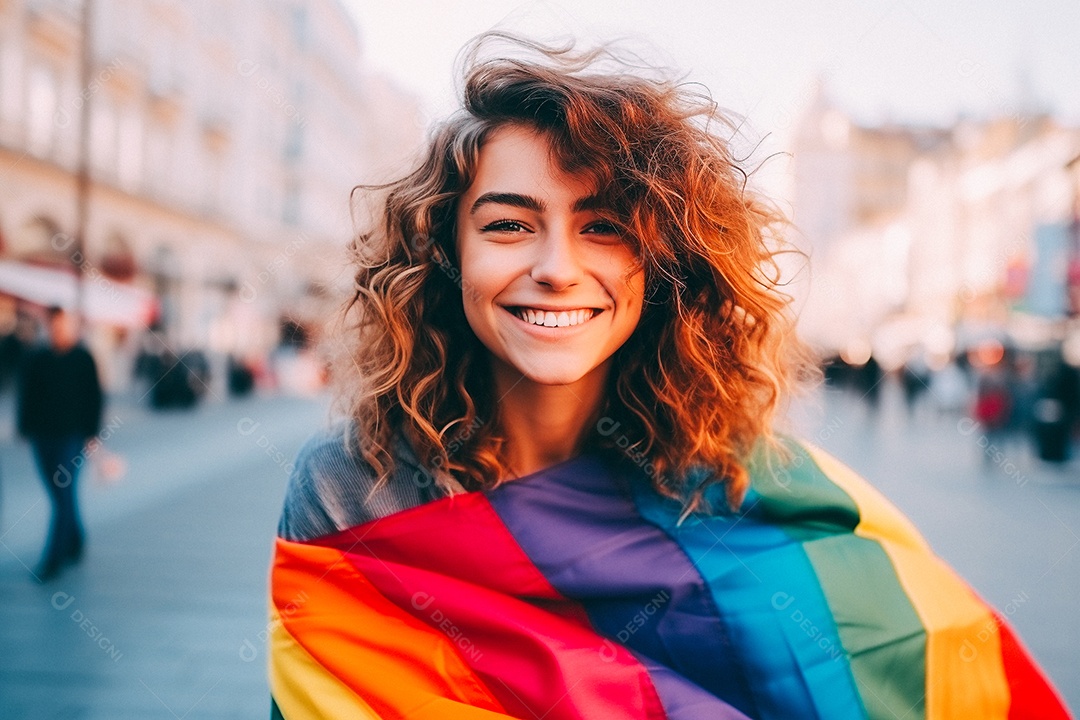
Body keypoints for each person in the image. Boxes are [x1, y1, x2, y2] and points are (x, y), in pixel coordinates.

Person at [268, 34, 1070, 719]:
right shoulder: (354, 486)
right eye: (509, 225)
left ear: (666, 265)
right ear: (447, 252)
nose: (556, 268)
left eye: (606, 228)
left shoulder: (743, 476)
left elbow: (904, 652)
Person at [16, 306, 103, 582]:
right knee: (58, 493)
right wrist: (24, 427)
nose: (58, 331)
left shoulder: (83, 358)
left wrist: (91, 433)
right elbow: (26, 394)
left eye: (63, 325)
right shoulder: (37, 358)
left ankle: (53, 558)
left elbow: (94, 397)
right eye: (54, 325)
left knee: (62, 493)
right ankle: (76, 537)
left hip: (72, 437)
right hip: (43, 437)